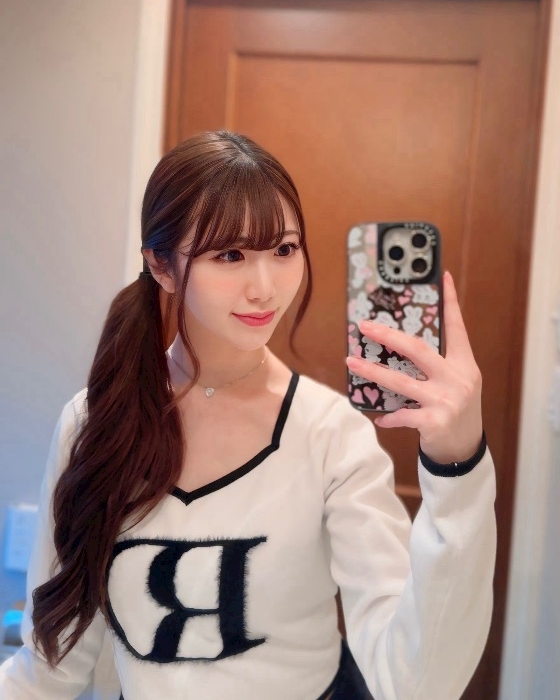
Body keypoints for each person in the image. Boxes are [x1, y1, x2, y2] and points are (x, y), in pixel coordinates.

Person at [0, 130, 496, 700]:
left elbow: (414, 682)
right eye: (230, 255)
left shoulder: (331, 436)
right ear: (161, 266)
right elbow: (51, 667)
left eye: (284, 250)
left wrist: (457, 467)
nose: (265, 288)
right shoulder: (96, 423)